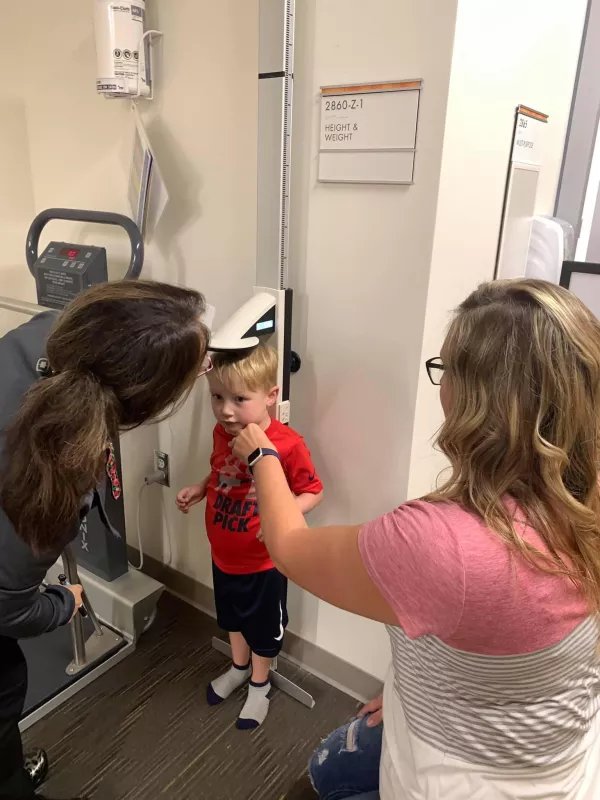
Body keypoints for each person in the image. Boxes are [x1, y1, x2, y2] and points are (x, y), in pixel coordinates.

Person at [230, 280, 600, 799]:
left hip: (465, 780)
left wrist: (261, 455)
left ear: (476, 397)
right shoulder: (581, 505)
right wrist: (416, 687)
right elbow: (513, 644)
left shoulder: (442, 544)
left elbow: (288, 547)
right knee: (325, 771)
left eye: (444, 371)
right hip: (554, 750)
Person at [0, 280, 210, 800]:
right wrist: (59, 605)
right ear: (141, 405)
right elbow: (6, 608)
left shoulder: (44, 335)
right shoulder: (48, 483)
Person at [176, 345, 323, 728]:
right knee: (232, 619)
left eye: (239, 399)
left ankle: (260, 684)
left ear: (271, 396)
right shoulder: (222, 433)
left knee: (261, 627)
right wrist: (201, 488)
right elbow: (221, 471)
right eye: (217, 397)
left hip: (263, 564)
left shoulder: (287, 445)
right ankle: (239, 667)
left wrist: (281, 514)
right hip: (224, 554)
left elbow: (314, 491)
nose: (226, 410)